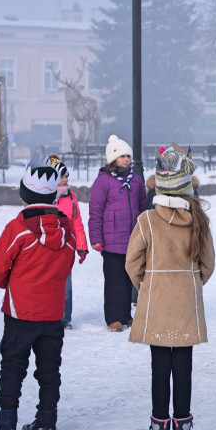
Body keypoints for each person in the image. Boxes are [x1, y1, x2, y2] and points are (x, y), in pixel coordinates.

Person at [127, 148, 215, 430]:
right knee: (184, 365)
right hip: (185, 300)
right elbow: (208, 264)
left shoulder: (147, 220)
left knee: (159, 366)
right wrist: (191, 283)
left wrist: (148, 285)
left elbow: (132, 263)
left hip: (157, 299)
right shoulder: (198, 220)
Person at [0, 166, 77, 430]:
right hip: (52, 312)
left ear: (24, 196)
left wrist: (11, 285)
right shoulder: (67, 229)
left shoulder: (18, 228)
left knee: (12, 367)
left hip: (20, 311)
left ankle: (6, 424)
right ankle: (47, 420)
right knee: (49, 368)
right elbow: (67, 265)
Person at [88, 135, 146, 332]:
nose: (127, 159)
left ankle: (125, 315)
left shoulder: (136, 181)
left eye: (128, 156)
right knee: (113, 280)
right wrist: (96, 238)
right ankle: (113, 317)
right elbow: (95, 211)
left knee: (128, 278)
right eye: (122, 156)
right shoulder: (103, 182)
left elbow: (142, 207)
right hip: (111, 241)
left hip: (131, 239)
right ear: (113, 159)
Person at [48, 155, 89, 329]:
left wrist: (81, 246)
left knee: (66, 285)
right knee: (48, 283)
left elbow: (77, 223)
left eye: (66, 177)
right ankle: (49, 315)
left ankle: (65, 318)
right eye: (60, 177)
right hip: (47, 249)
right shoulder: (46, 198)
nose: (64, 180)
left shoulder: (71, 198)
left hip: (66, 249)